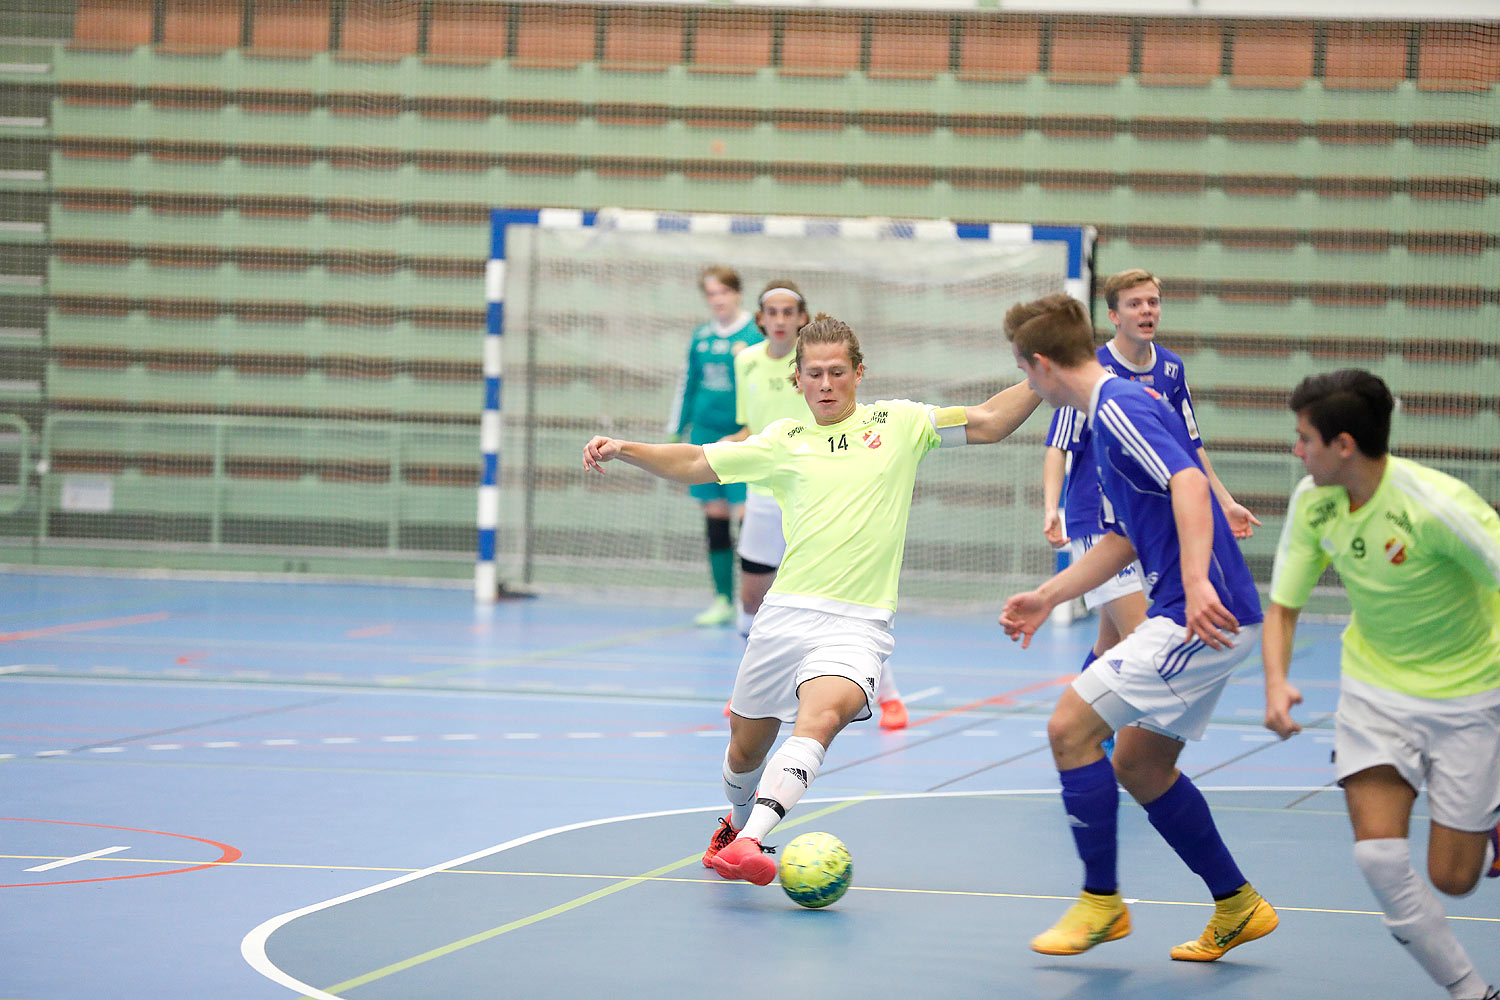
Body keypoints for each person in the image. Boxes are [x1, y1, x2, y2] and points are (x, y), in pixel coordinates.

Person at [584, 313, 1041, 885]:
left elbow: (993, 421)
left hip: (859, 623)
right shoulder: (782, 441)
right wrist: (626, 448)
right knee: (744, 750)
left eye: (837, 372)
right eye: (814, 374)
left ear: (858, 373)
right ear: (796, 380)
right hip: (786, 616)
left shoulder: (901, 423)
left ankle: (750, 842)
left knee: (820, 719)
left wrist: (1050, 373)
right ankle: (734, 821)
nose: (826, 384)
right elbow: (699, 461)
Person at [998, 292, 1277, 962]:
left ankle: (1102, 904)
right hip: (1210, 614)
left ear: (1040, 366)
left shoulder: (1118, 408)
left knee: (1069, 727)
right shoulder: (1110, 411)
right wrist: (1049, 594)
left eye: (1024, 374)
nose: (1028, 386)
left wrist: (1200, 579)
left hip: (1199, 617)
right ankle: (1239, 905)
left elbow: (1187, 482)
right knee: (1139, 764)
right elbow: (1124, 537)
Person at [1262, 369, 1499, 1000]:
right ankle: (1472, 992)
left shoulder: (1436, 506)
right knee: (1378, 859)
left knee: (1452, 879)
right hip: (1375, 695)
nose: (1296, 450)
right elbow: (1283, 607)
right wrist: (1277, 683)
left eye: (1304, 438)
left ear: (1343, 445)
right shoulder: (1314, 503)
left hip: (1471, 694)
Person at [1041, 269, 1259, 682]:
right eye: (1134, 304)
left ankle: (1093, 732)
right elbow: (1059, 444)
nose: (1146, 311)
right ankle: (1099, 728)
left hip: (1141, 524)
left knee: (1111, 644)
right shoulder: (1093, 371)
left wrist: (1225, 502)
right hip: (1098, 521)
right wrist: (1053, 507)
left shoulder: (1172, 370)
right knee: (1142, 638)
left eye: (1152, 302)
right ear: (1114, 316)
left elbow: (1190, 448)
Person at [726, 280, 908, 729]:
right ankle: (757, 690)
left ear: (802, 318)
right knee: (751, 597)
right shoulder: (744, 362)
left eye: (790, 311)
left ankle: (890, 696)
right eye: (773, 311)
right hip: (765, 492)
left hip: (815, 492)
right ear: (760, 319)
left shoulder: (814, 366)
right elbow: (751, 431)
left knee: (841, 607)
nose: (782, 319)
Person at [667, 266, 763, 627]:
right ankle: (722, 599)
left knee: (747, 519)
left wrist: (753, 428)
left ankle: (753, 599)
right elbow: (688, 384)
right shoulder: (700, 337)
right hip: (705, 435)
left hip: (742, 435)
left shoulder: (754, 335)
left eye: (723, 292)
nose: (718, 299)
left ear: (737, 294)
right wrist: (677, 430)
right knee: (715, 520)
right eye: (711, 294)